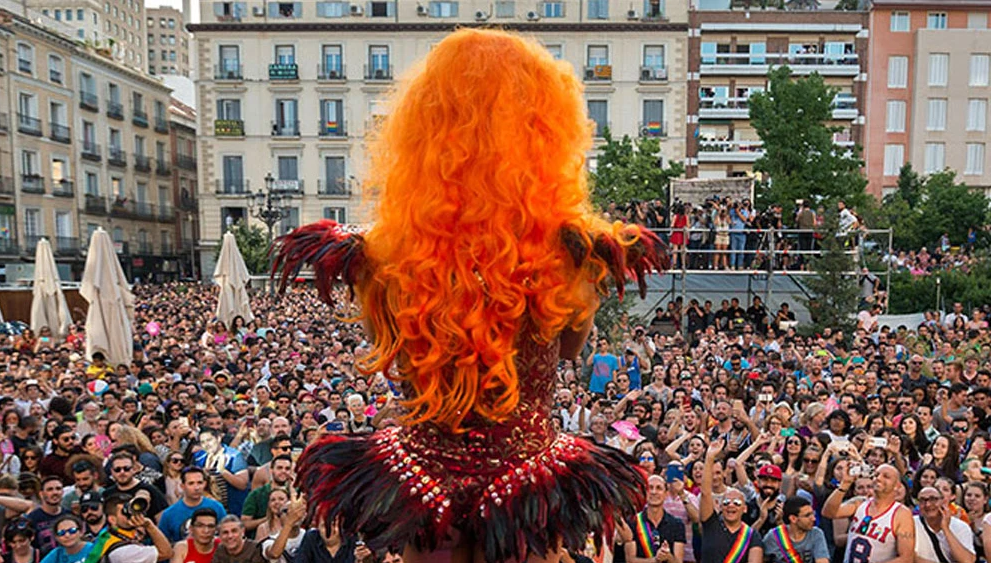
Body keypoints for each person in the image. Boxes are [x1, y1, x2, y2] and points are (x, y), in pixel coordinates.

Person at [273, 28, 663, 563]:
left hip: (424, 483)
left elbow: (385, 350)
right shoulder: (571, 252)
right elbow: (570, 352)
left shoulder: (381, 255)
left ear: (421, 128)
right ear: (543, 130)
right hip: (526, 484)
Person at [821, 464, 914, 563]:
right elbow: (828, 512)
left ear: (897, 486)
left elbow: (906, 558)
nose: (878, 478)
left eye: (886, 476)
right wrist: (844, 484)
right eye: (876, 475)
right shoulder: (860, 502)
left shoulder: (901, 514)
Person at [698, 439, 763, 563]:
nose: (731, 505)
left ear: (745, 509)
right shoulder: (711, 524)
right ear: (721, 507)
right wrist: (710, 457)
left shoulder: (751, 535)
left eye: (737, 503)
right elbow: (705, 493)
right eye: (727, 502)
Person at [83, 492, 173, 563]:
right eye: (124, 512)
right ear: (112, 520)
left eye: (131, 509)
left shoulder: (107, 535)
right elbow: (166, 553)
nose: (131, 514)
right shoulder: (123, 552)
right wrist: (149, 526)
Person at [157, 467, 227, 543]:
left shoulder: (217, 508)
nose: (196, 488)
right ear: (182, 486)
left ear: (205, 484)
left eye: (199, 483)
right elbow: (162, 543)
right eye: (191, 483)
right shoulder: (169, 514)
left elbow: (226, 534)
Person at [626, 475, 686, 563]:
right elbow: (630, 560)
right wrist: (655, 560)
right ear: (644, 492)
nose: (654, 492)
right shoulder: (633, 522)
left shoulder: (677, 524)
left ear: (666, 494)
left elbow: (679, 561)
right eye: (650, 488)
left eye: (659, 488)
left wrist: (668, 557)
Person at [913, 487, 975, 563]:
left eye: (933, 499)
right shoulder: (911, 523)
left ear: (942, 501)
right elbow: (909, 557)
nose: (928, 504)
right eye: (922, 500)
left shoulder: (961, 526)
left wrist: (946, 529)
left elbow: (967, 560)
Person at [762, 497, 829, 563]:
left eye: (813, 514)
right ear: (793, 518)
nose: (813, 519)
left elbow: (822, 561)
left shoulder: (816, 533)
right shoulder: (774, 536)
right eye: (807, 515)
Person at [241, 456, 292, 532]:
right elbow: (244, 523)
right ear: (271, 470)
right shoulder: (257, 494)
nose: (283, 471)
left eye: (287, 468)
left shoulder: (295, 493)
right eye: (279, 468)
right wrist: (268, 519)